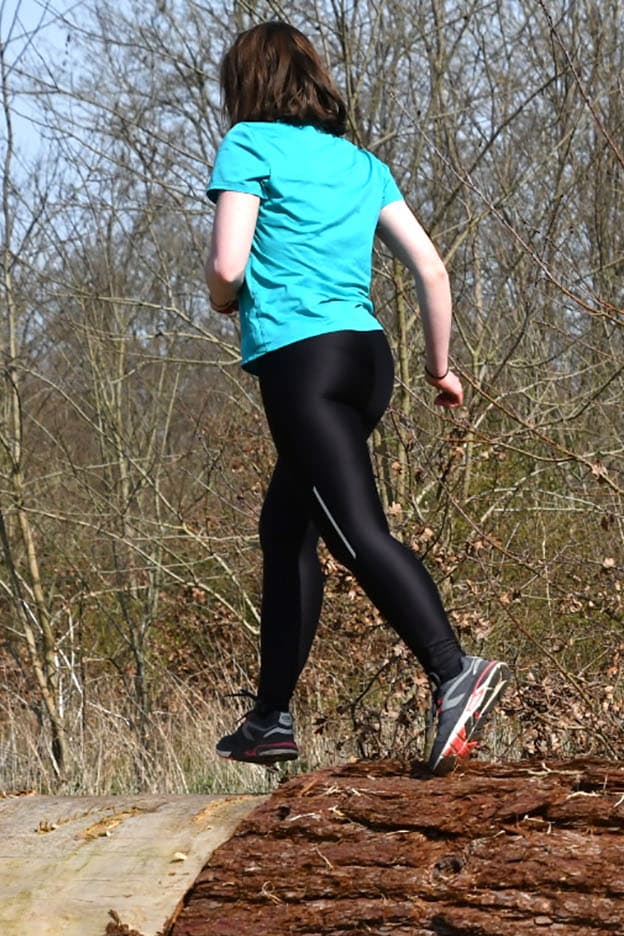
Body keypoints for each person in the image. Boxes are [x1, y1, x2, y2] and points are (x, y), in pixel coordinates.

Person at [203, 22, 506, 777]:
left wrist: (218, 296)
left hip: (303, 363)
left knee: (355, 531)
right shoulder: (361, 163)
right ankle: (269, 718)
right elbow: (431, 271)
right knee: (286, 528)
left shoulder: (249, 144)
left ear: (247, 85)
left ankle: (453, 669)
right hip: (369, 361)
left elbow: (226, 264)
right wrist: (442, 369)